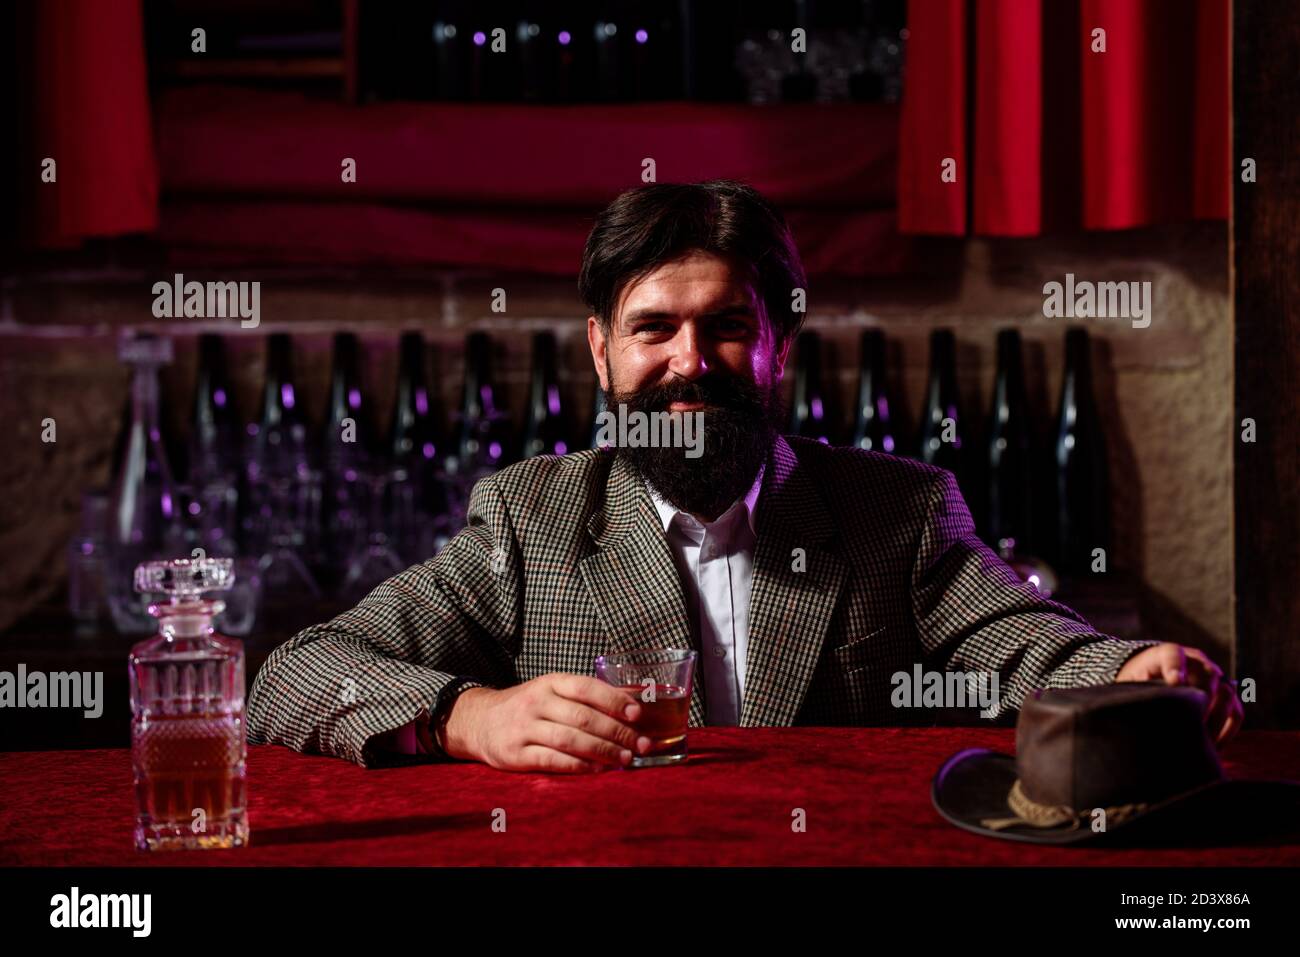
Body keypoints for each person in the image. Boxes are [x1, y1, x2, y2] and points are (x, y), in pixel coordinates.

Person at [246, 180, 1242, 772]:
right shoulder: (527, 520)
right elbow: (289, 680)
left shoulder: (896, 507)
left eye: (725, 326)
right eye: (653, 329)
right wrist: (470, 717)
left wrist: (1118, 669)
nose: (689, 361)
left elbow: (1017, 641)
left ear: (777, 349)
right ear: (600, 354)